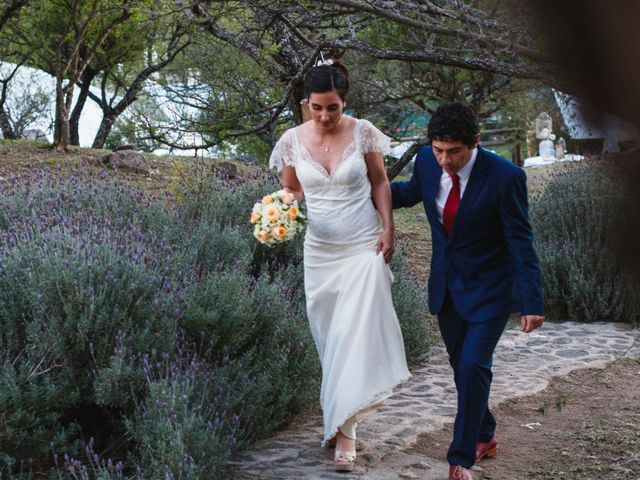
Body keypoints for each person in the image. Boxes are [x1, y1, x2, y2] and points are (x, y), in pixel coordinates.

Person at [268, 60, 410, 472]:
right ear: (305, 104)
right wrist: (277, 214)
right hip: (321, 252)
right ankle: (336, 415)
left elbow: (380, 181)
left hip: (363, 245)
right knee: (330, 340)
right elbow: (292, 189)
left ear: (344, 102)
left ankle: (346, 433)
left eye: (333, 107)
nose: (325, 116)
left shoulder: (363, 132)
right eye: (317, 108)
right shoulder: (291, 141)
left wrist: (389, 228)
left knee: (353, 333)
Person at [390, 102, 545, 480]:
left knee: (474, 364)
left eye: (454, 152)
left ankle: (461, 458)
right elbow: (410, 193)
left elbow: (520, 242)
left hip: (491, 290)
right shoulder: (427, 161)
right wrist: (357, 189)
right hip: (446, 287)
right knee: (463, 369)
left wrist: (531, 301)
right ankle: (486, 433)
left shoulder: (506, 177)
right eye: (439, 149)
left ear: (474, 143)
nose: (444, 160)